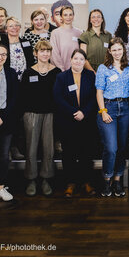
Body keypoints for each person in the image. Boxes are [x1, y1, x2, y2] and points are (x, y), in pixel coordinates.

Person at [53, 49, 97, 197]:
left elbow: (94, 97)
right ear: (70, 60)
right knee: (69, 153)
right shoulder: (61, 77)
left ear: (85, 62)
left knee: (87, 152)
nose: (78, 61)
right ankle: (70, 183)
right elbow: (58, 98)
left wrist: (84, 112)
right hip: (68, 121)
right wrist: (73, 112)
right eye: (76, 58)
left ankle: (87, 182)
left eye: (81, 59)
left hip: (86, 120)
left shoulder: (90, 75)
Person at [20, 40, 61, 196]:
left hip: (50, 115)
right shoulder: (29, 72)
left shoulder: (56, 72)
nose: (45, 54)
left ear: (50, 53)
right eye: (42, 51)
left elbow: (59, 96)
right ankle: (31, 179)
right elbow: (22, 96)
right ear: (35, 53)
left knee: (48, 149)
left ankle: (46, 179)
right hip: (31, 115)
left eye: (47, 51)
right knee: (31, 149)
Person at [96, 38, 129, 197]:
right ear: (109, 51)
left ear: (123, 51)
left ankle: (118, 180)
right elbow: (99, 91)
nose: (117, 52)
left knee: (122, 147)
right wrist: (103, 111)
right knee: (111, 148)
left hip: (126, 108)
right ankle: (107, 180)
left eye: (120, 49)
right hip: (109, 108)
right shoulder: (103, 68)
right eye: (114, 50)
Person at [0, 44, 18, 201]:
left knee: (4, 156)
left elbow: (14, 97)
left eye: (4, 54)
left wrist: (3, 117)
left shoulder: (11, 73)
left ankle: (1, 186)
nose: (1, 57)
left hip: (6, 119)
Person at [0, 16, 34, 80]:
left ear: (20, 27)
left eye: (17, 25)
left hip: (25, 79)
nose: (14, 28)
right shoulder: (2, 44)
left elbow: (31, 61)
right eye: (11, 26)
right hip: (8, 79)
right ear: (6, 29)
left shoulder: (26, 43)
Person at [50, 6, 82, 72]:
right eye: (65, 15)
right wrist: (63, 71)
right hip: (60, 72)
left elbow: (82, 54)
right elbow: (54, 55)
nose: (68, 17)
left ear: (73, 16)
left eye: (70, 15)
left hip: (77, 71)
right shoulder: (55, 33)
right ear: (61, 17)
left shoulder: (79, 33)